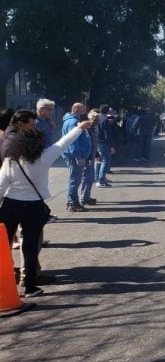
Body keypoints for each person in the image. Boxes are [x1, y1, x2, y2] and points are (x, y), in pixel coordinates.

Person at [0, 117, 93, 296]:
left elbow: (1, 186)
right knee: (30, 247)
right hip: (33, 207)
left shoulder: (11, 160)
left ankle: (5, 282)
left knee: (4, 245)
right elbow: (63, 142)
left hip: (10, 205)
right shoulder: (45, 156)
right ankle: (29, 286)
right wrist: (80, 127)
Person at [61, 103, 91, 212]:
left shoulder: (71, 120)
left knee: (76, 179)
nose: (85, 111)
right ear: (77, 109)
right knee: (75, 180)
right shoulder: (73, 122)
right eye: (83, 109)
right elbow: (73, 141)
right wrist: (78, 156)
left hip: (75, 155)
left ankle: (73, 202)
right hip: (74, 156)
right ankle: (72, 203)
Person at [80, 109, 100, 206]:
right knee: (86, 178)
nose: (97, 122)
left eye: (98, 120)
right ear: (90, 119)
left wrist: (96, 155)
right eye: (95, 120)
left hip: (91, 157)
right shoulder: (86, 129)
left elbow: (93, 144)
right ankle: (83, 197)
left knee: (90, 178)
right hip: (87, 158)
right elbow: (85, 145)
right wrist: (87, 158)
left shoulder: (92, 129)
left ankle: (86, 196)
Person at [95, 104, 115, 187]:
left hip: (97, 141)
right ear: (107, 111)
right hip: (104, 143)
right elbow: (107, 134)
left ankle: (98, 178)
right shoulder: (105, 120)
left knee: (99, 160)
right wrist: (111, 146)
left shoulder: (97, 118)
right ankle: (101, 180)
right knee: (105, 161)